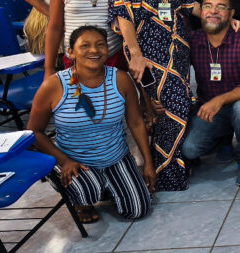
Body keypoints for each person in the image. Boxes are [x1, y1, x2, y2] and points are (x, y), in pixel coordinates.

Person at [110, 0, 203, 192]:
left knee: (171, 107)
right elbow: (124, 14)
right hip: (145, 50)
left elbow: (190, 4)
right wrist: (136, 54)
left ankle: (168, 167)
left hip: (177, 47)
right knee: (166, 107)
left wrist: (219, 15)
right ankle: (163, 172)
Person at [27, 26, 154, 223]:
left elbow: (136, 122)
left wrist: (148, 162)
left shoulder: (120, 79)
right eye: (84, 46)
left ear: (107, 50)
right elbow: (34, 132)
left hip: (115, 156)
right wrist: (64, 160)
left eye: (100, 45)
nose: (94, 50)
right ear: (71, 52)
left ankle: (108, 183)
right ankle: (84, 200)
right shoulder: (53, 86)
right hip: (74, 161)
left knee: (137, 210)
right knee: (87, 192)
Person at [182, 0, 240, 186]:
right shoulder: (193, 40)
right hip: (211, 109)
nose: (213, 12)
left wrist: (219, 101)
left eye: (221, 7)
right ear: (201, 12)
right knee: (189, 149)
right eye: (208, 6)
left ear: (231, 14)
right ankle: (223, 139)